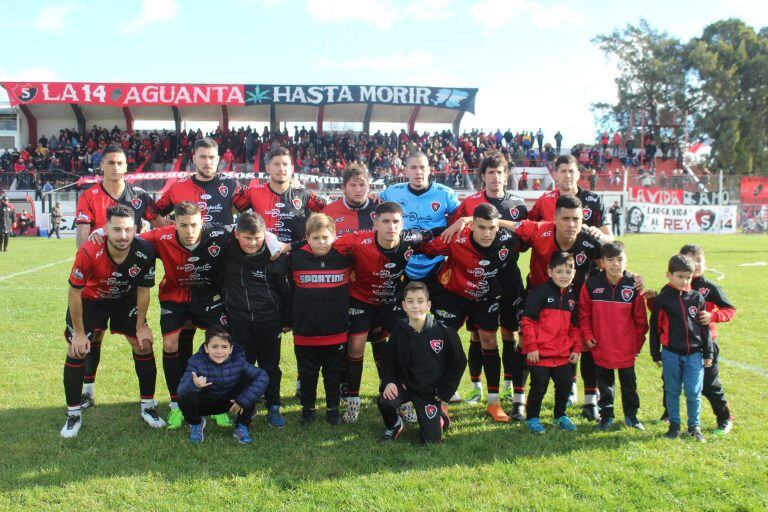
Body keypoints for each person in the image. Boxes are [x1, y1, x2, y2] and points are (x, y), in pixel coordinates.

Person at [145, 137, 243, 399]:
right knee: (182, 337)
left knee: (221, 339)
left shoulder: (230, 185)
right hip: (183, 268)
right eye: (202, 157)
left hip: (217, 272)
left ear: (219, 159)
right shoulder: (178, 188)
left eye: (212, 157)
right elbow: (152, 211)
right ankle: (183, 395)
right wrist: (169, 231)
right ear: (194, 159)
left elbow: (251, 210)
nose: (207, 162)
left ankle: (220, 393)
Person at [60, 205, 164, 438]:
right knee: (76, 351)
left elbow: (143, 290)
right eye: (116, 229)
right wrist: (78, 332)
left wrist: (141, 325)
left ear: (136, 229)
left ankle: (148, 407)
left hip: (123, 299)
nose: (123, 235)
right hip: (90, 300)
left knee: (143, 345)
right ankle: (74, 414)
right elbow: (74, 293)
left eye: (128, 229)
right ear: (105, 228)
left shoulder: (145, 251)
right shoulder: (88, 251)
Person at [439, 151, 528, 413]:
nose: (496, 177)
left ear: (506, 175)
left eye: (500, 172)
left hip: (507, 276)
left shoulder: (518, 203)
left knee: (510, 332)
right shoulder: (469, 203)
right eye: (491, 172)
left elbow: (523, 241)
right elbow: (453, 231)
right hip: (475, 277)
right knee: (479, 333)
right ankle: (476, 386)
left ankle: (509, 383)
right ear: (483, 176)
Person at [329, 201, 434, 423]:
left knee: (400, 346)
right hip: (361, 299)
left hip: (391, 301)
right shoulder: (359, 240)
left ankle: (401, 399)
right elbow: (325, 244)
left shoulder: (411, 239)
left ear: (402, 224)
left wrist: (463, 222)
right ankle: (352, 401)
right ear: (375, 223)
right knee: (356, 345)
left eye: (396, 222)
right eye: (385, 221)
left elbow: (438, 236)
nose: (391, 227)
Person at [421, 203, 521, 422]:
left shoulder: (508, 241)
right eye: (481, 227)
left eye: (491, 228)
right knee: (442, 343)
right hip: (451, 295)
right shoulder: (456, 237)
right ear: (472, 225)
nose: (487, 233)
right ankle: (441, 402)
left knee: (489, 341)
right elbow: (426, 249)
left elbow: (527, 237)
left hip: (484, 296)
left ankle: (494, 404)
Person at [514, 194, 606, 419]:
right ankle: (518, 401)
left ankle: (590, 402)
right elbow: (510, 225)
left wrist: (630, 276)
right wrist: (466, 221)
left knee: (584, 346)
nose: (571, 224)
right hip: (537, 300)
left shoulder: (589, 242)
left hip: (572, 304)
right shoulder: (540, 230)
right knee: (525, 345)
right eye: (565, 218)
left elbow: (611, 264)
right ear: (554, 218)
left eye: (576, 218)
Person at [140, 202, 231, 429]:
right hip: (175, 297)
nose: (189, 231)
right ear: (175, 224)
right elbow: (131, 240)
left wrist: (273, 241)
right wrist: (100, 232)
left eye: (194, 225)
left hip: (209, 297)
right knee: (171, 345)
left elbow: (251, 232)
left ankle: (217, 403)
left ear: (202, 222)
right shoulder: (161, 237)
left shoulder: (219, 233)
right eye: (183, 225)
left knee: (220, 345)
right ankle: (176, 404)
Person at [221, 212, 291, 428]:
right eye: (247, 237)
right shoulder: (226, 253)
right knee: (243, 365)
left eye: (257, 237)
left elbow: (286, 290)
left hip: (269, 319)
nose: (252, 243)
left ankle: (273, 405)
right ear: (236, 234)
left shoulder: (274, 257)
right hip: (238, 320)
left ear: (265, 235)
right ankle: (247, 407)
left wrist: (288, 319)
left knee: (270, 365)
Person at [377, 281, 466, 444]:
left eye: (420, 301)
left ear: (428, 305)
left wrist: (445, 391)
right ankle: (394, 425)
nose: (415, 306)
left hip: (430, 393)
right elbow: (387, 362)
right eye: (410, 301)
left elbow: (458, 363)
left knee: (431, 441)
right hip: (406, 386)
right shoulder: (399, 331)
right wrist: (389, 382)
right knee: (385, 401)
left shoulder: (445, 332)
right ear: (404, 305)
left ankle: (440, 416)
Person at [290, 214, 351, 426]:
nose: (321, 242)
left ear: (334, 236)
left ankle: (333, 410)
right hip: (305, 330)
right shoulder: (295, 258)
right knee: (307, 374)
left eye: (326, 237)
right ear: (307, 238)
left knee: (333, 374)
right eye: (316, 238)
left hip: (336, 329)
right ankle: (307, 411)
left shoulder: (345, 256)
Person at [579, 242, 648, 430]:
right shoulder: (592, 285)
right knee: (605, 385)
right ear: (602, 262)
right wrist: (588, 335)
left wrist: (637, 345)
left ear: (626, 261)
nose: (615, 264)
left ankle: (631, 416)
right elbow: (584, 314)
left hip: (626, 347)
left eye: (620, 260)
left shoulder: (633, 285)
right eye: (610, 260)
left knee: (629, 385)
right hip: (601, 345)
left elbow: (641, 321)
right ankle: (606, 416)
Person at [648, 254, 713, 442]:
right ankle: (674, 425)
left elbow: (704, 326)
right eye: (680, 276)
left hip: (694, 354)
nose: (684, 281)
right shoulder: (662, 299)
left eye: (688, 277)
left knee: (693, 391)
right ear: (669, 275)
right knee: (673, 390)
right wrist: (655, 353)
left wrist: (708, 351)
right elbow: (655, 328)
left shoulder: (697, 298)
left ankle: (694, 426)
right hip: (670, 354)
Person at [378, 151, 460, 292]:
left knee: (437, 308)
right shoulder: (392, 192)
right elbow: (374, 203)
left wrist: (461, 221)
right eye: (413, 167)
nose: (418, 172)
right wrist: (372, 196)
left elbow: (464, 217)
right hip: (402, 259)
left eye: (422, 167)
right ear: (406, 171)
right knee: (403, 308)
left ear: (429, 170)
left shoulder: (445, 193)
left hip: (435, 261)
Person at [520, 252, 580, 434]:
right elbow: (527, 322)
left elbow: (575, 327)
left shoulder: (572, 298)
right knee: (539, 386)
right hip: (540, 353)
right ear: (549, 272)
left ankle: (560, 415)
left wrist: (576, 348)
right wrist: (531, 347)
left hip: (562, 354)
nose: (564, 276)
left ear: (574, 273)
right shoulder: (539, 293)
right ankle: (532, 418)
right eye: (559, 271)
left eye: (568, 272)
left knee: (565, 384)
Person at [679, 244, 736, 435]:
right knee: (674, 381)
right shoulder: (676, 285)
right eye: (690, 260)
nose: (695, 264)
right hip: (682, 343)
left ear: (705, 262)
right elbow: (665, 311)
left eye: (699, 260)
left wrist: (713, 316)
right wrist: (652, 301)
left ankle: (725, 417)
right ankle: (668, 415)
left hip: (706, 344)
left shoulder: (709, 288)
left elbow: (730, 310)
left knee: (708, 384)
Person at [177, 327, 270, 444]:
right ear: (206, 348)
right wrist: (195, 385)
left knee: (250, 384)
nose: (219, 351)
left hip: (231, 402)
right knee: (184, 396)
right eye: (214, 346)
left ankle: (242, 425)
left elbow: (262, 376)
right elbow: (182, 389)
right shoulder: (196, 361)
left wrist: (243, 400)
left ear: (231, 349)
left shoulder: (238, 360)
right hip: (205, 403)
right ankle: (196, 424)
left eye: (224, 347)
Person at [234, 146, 327, 243]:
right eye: (277, 164)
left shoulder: (304, 194)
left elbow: (329, 209)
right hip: (265, 255)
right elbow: (232, 207)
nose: (281, 168)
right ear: (268, 168)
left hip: (296, 255)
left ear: (291, 169)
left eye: (285, 164)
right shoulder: (253, 193)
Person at [529, 155, 613, 241]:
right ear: (555, 175)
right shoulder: (544, 201)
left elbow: (610, 238)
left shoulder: (594, 200)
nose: (567, 175)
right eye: (563, 171)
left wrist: (599, 235)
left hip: (585, 253)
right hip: (552, 253)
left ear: (578, 175)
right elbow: (527, 231)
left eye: (571, 171)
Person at [321, 164, 376, 235]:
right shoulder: (328, 212)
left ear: (368, 187)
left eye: (362, 185)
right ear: (343, 188)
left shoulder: (380, 209)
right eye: (353, 185)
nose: (358, 190)